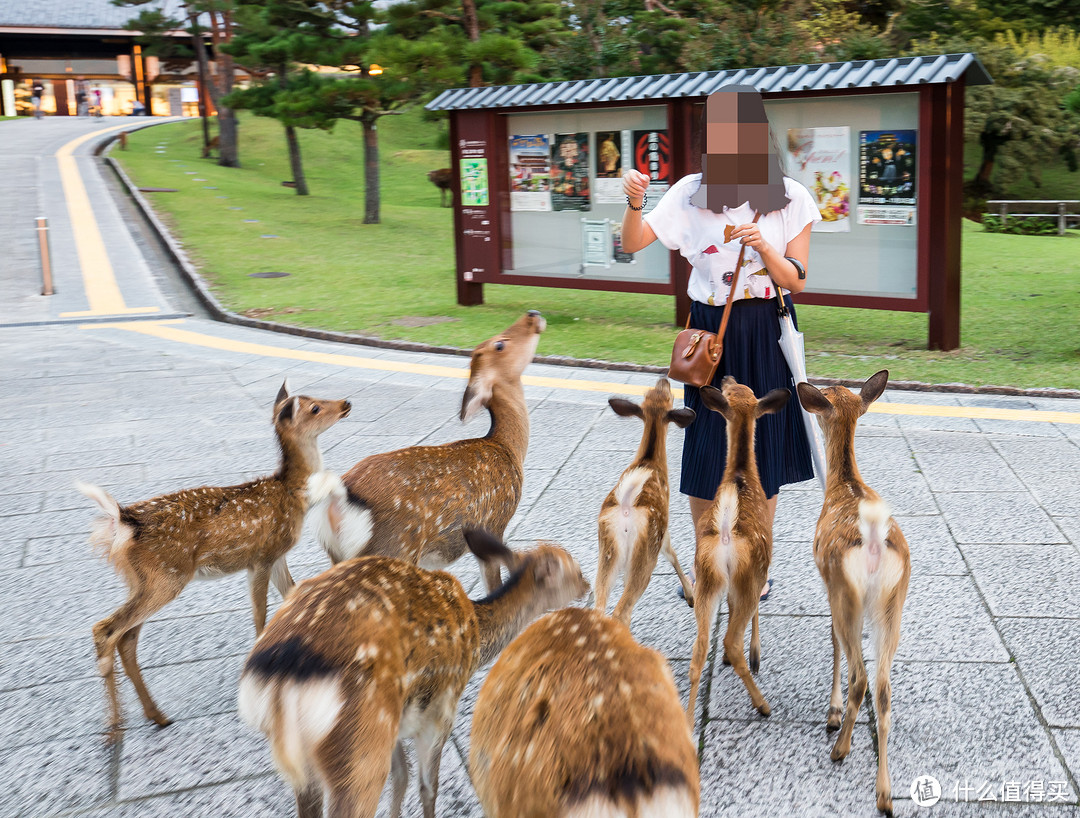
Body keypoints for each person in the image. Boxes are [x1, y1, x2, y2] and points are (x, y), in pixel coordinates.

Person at [620, 85, 820, 601]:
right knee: (708, 447)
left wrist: (763, 246)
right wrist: (635, 202)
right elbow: (635, 241)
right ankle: (708, 563)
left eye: (743, 134)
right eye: (722, 134)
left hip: (767, 327)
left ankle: (757, 569)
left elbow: (796, 278)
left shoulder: (792, 197)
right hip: (712, 332)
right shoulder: (690, 191)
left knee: (766, 452)